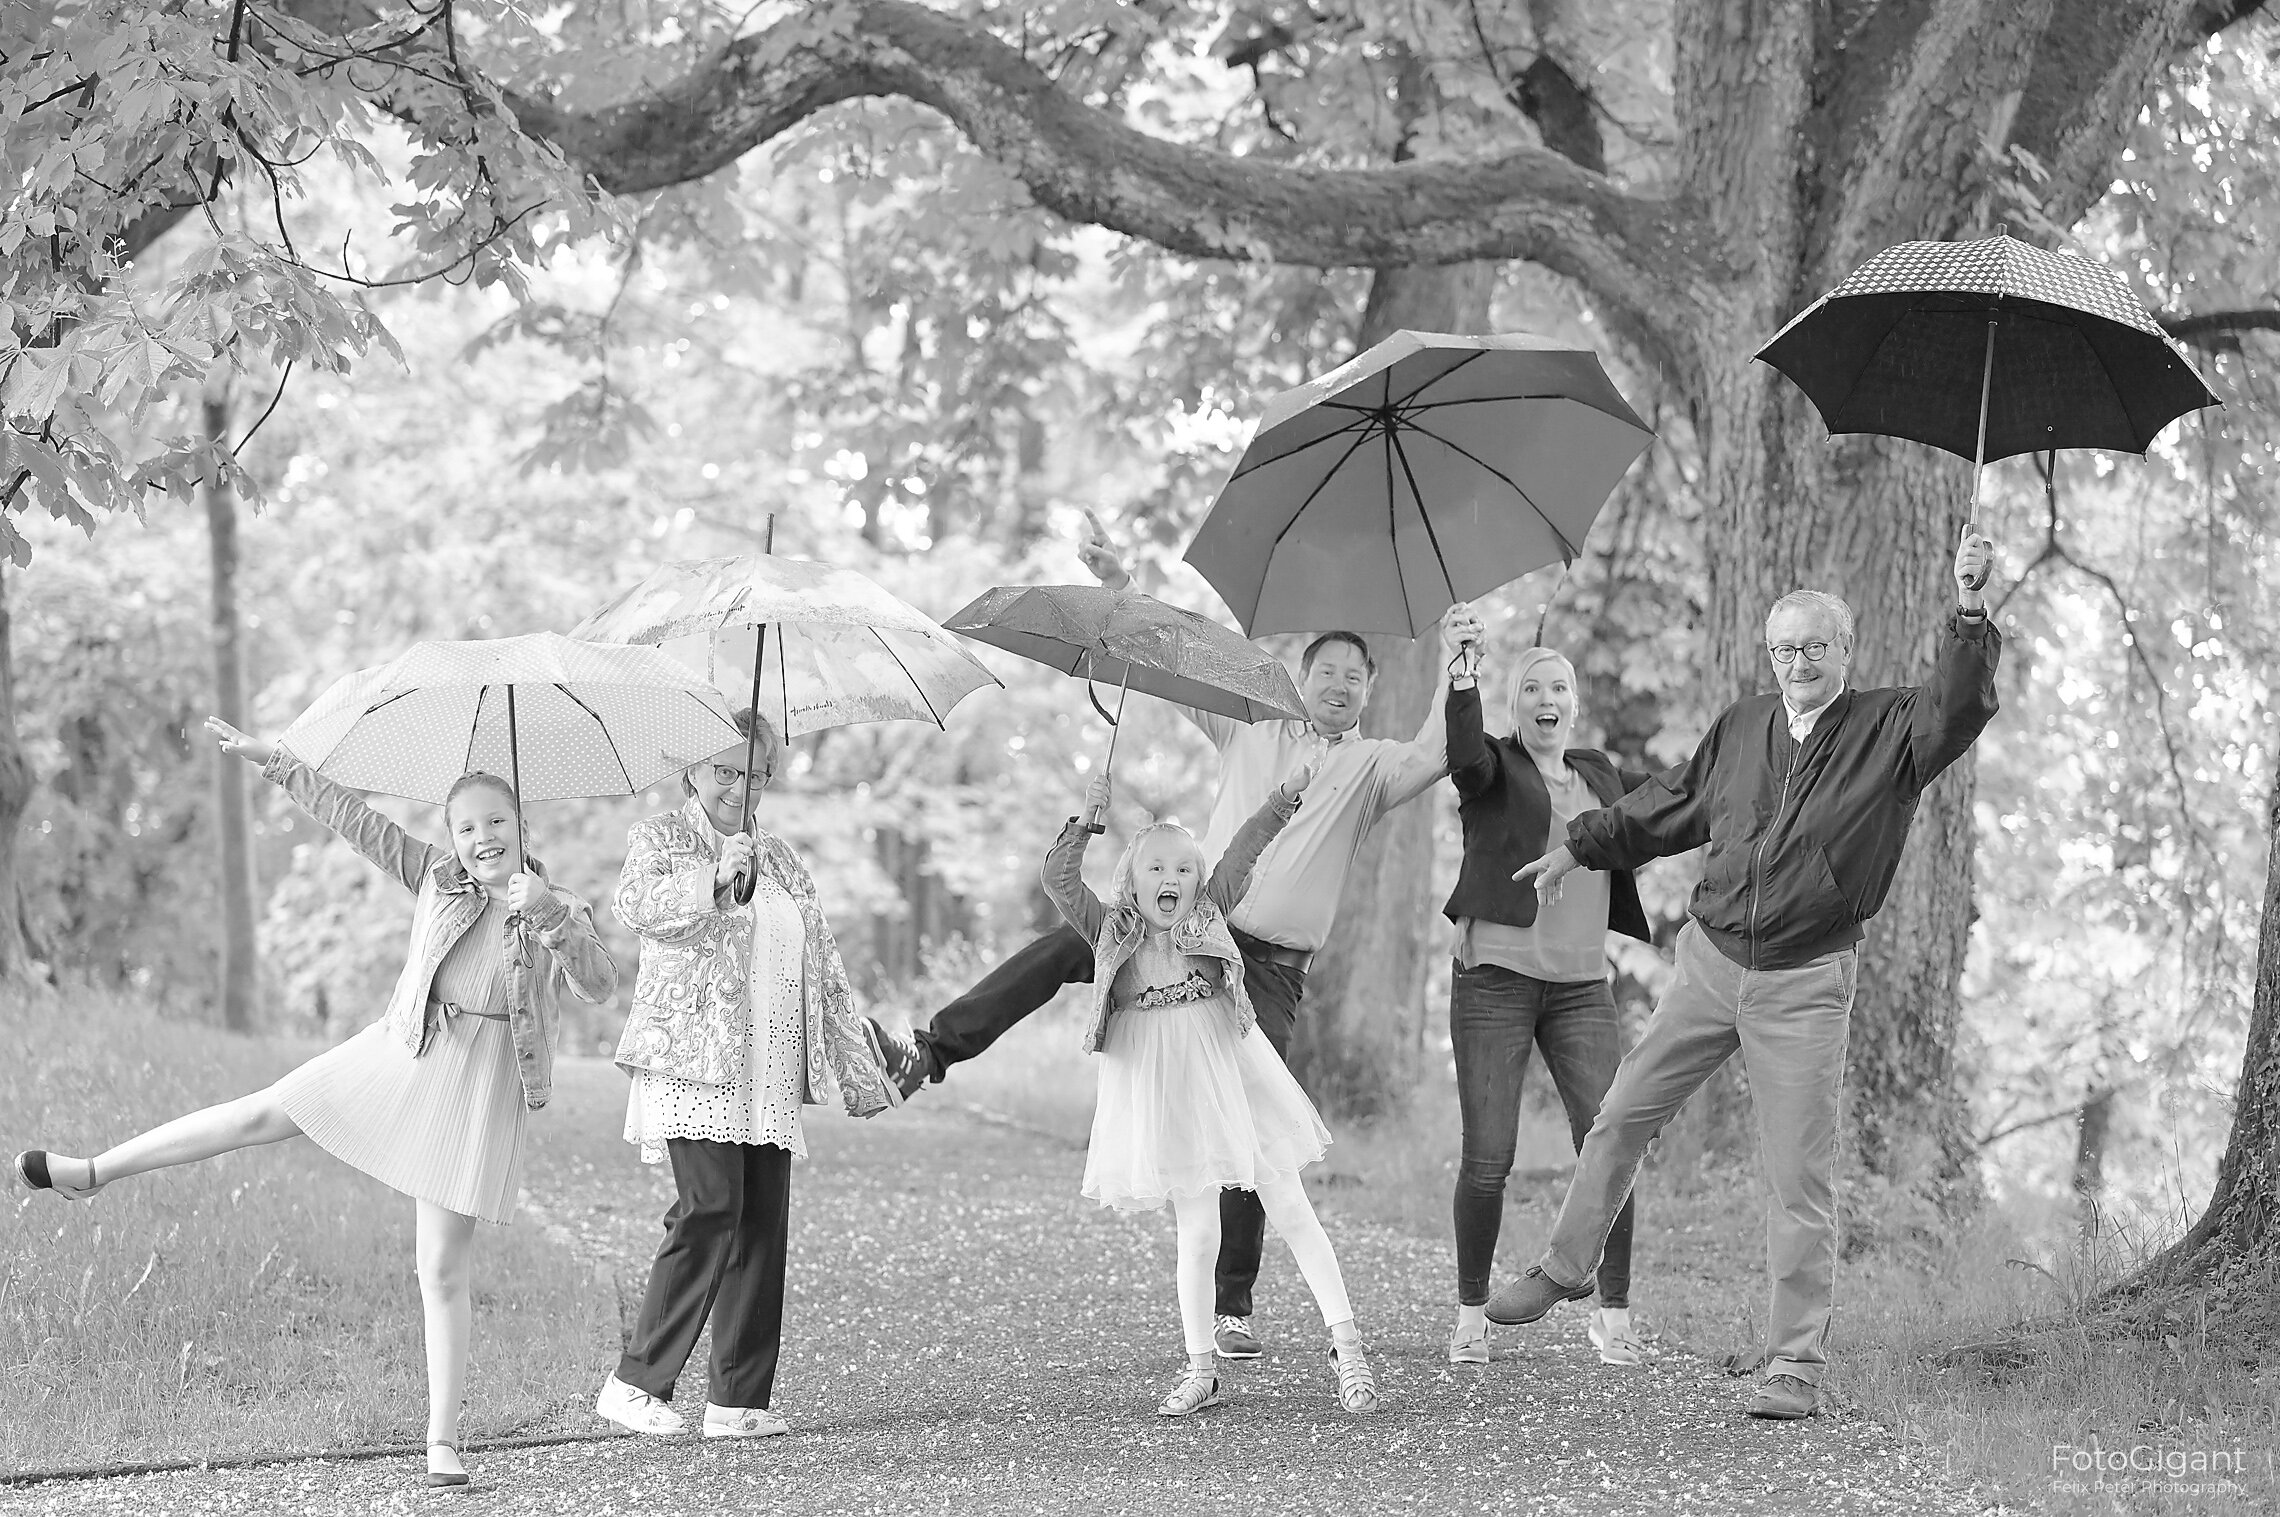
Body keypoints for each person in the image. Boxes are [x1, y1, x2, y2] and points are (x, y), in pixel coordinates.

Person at [870, 512, 1475, 1361]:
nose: (1339, 682)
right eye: (1326, 669)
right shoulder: (1253, 725)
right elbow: (1172, 663)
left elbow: (1439, 749)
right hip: (1184, 924)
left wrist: (1460, 665)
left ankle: (1233, 1304)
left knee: (1253, 1118)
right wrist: (1119, 585)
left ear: (1369, 689)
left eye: (1353, 675)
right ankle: (928, 1051)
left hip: (1268, 965)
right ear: (1301, 677)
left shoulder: (1371, 767)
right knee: (1059, 950)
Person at [14, 718, 618, 1488]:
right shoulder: (436, 876)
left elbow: (599, 984)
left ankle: (441, 1440)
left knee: (439, 1266)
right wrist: (277, 761)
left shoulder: (553, 902)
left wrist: (550, 914)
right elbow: (356, 821)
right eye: (466, 826)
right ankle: (91, 1169)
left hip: (475, 1090)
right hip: (408, 1052)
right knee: (263, 1111)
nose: (482, 837)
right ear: (453, 838)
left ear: (522, 825)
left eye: (497, 821)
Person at [1484, 525, 2003, 1420]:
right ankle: (1566, 1267)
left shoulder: (1894, 726)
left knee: (1797, 1177)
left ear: (1846, 650)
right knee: (1619, 1116)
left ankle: (1796, 1365)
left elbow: (1959, 710)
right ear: (1770, 655)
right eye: (1784, 647)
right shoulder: (1745, 724)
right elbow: (1672, 806)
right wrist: (1577, 845)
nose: (1797, 659)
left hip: (1804, 983)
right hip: (1712, 961)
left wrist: (1968, 609)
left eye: (1814, 646)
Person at [594, 714, 899, 1442]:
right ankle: (636, 1381)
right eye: (725, 770)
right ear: (694, 769)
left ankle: (738, 1398)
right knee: (711, 1206)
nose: (740, 785)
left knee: (762, 1219)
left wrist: (859, 1068)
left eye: (755, 771)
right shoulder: (663, 837)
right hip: (693, 1060)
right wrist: (712, 876)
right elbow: (637, 907)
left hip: (768, 1064)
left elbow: (823, 967)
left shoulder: (784, 860)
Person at [1045, 759, 1382, 1416]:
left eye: (1183, 869)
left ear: (1198, 883)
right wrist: (1087, 821)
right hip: (1164, 1083)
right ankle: (1202, 1366)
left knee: (1286, 1198)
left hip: (1229, 1069)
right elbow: (1058, 879)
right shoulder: (1111, 927)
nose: (1170, 878)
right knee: (1197, 1229)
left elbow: (1243, 850)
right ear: (1131, 878)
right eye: (1155, 867)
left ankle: (1347, 1343)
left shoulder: (1208, 911)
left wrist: (1283, 798)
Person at [1441, 631, 1657, 1369]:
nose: (1547, 699)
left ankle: (1615, 1316)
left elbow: (1656, 812)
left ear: (1576, 704)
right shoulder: (1490, 766)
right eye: (1532, 687)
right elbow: (1463, 753)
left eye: (1559, 687)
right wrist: (1462, 674)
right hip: (1494, 977)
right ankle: (1471, 1312)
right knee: (1489, 1154)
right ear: (1513, 705)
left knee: (1613, 1143)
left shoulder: (1599, 772)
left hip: (1580, 986)